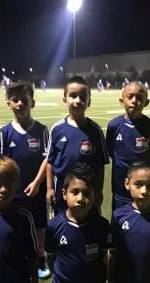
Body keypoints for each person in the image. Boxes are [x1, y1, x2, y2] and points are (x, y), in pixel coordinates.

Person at [45, 163, 111, 283]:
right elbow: (51, 256)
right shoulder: (54, 226)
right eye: (75, 192)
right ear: (64, 193)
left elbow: (105, 256)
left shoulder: (102, 226)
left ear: (95, 197)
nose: (81, 198)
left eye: (87, 193)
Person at [1, 81, 50, 279]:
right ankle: (17, 256)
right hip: (14, 191)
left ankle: (40, 258)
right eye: (15, 100)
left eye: (24, 100)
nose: (20, 104)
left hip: (36, 190)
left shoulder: (41, 130)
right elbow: (3, 163)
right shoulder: (5, 132)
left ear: (33, 102)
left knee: (39, 225)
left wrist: (37, 182)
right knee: (15, 224)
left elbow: (47, 159)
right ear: (9, 104)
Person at [46, 76, 108, 215]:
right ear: (65, 99)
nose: (78, 101)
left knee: (89, 224)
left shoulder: (95, 131)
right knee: (62, 221)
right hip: (62, 188)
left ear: (89, 102)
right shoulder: (57, 129)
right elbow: (49, 162)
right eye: (73, 96)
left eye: (82, 97)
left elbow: (100, 165)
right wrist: (49, 188)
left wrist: (98, 190)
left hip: (87, 189)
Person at [106, 81, 150, 211]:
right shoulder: (114, 125)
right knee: (119, 224)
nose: (134, 101)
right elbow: (111, 152)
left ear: (146, 102)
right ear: (122, 101)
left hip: (144, 190)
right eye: (130, 97)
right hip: (120, 189)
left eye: (139, 98)